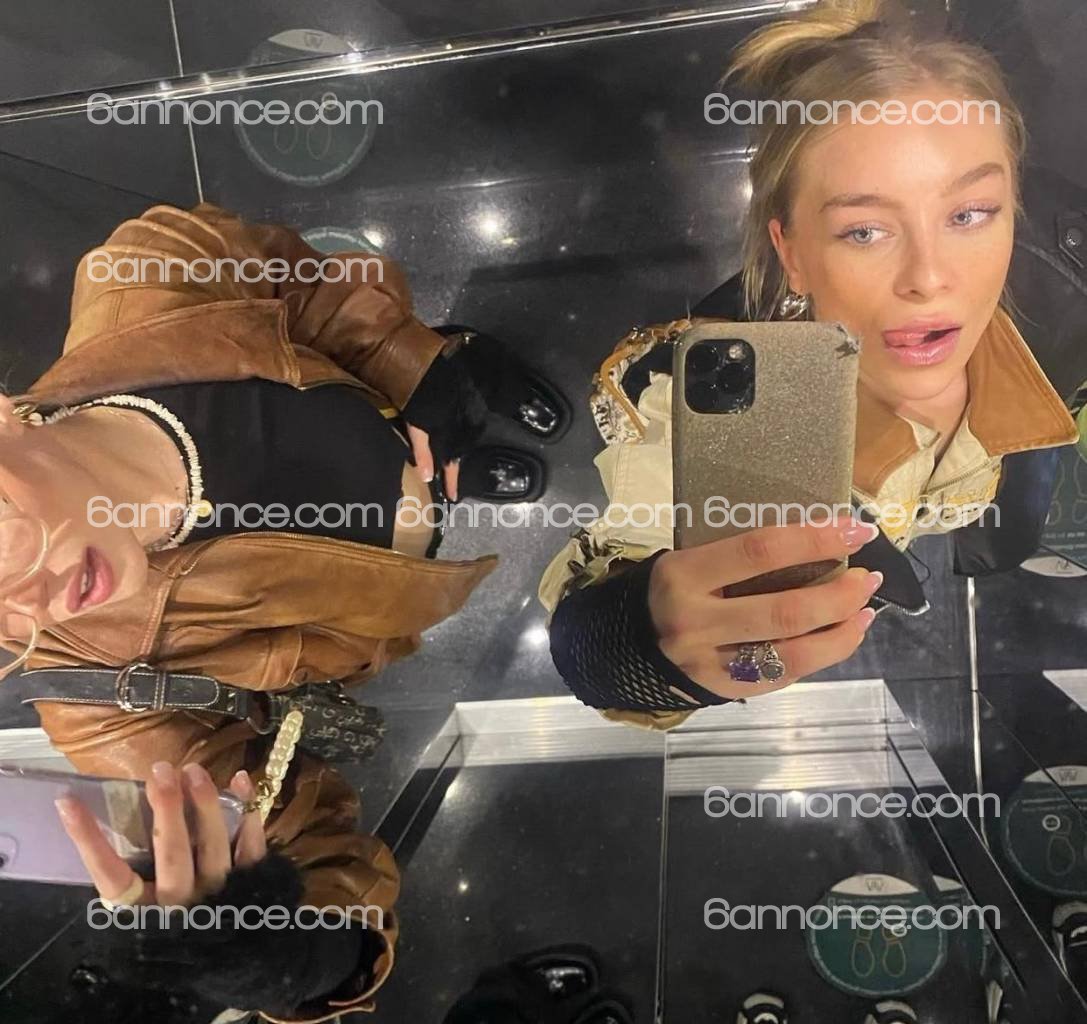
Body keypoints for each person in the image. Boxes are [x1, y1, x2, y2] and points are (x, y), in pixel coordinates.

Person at [0, 201, 564, 1019]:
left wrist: (413, 370)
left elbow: (300, 287)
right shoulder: (100, 706)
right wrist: (290, 956)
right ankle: (448, 484)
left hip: (384, 415)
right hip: (387, 577)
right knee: (438, 497)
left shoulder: (147, 271)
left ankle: (461, 405)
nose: (24, 606)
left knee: (448, 420)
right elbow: (311, 836)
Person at [540, 0, 1079, 724]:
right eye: (864, 231)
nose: (928, 277)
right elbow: (603, 607)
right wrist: (639, 645)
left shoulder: (1068, 292)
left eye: (968, 214)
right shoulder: (719, 409)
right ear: (790, 252)